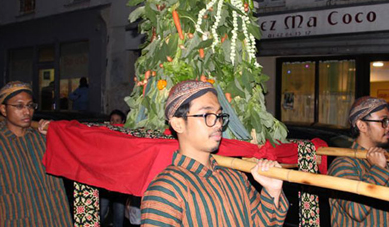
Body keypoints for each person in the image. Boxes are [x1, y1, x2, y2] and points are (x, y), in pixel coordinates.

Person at [141, 80, 289, 226]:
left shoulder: (236, 178)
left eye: (218, 115)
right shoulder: (166, 189)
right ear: (178, 124)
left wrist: (272, 191)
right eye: (206, 115)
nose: (218, 123)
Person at [0, 81, 72, 226]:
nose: (27, 112)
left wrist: (57, 133)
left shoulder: (45, 140)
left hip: (55, 220)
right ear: (3, 109)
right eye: (19, 106)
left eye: (30, 105)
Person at [328, 96, 389, 226]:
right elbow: (356, 210)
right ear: (362, 125)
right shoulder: (343, 164)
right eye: (383, 121)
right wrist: (378, 169)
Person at [100, 109, 128, 227]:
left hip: (119, 185)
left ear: (123, 122)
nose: (114, 123)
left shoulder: (127, 139)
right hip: (105, 183)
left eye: (117, 121)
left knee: (119, 215)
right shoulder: (104, 137)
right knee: (100, 211)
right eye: (112, 121)